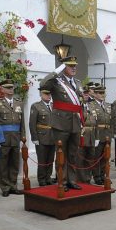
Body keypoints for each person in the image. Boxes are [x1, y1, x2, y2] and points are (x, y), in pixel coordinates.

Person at [39, 56, 83, 191]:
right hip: (61, 123)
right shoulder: (56, 81)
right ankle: (62, 181)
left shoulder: (78, 82)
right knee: (61, 154)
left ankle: (71, 180)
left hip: (75, 122)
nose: (74, 68)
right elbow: (43, 84)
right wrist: (56, 71)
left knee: (72, 154)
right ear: (64, 67)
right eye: (70, 66)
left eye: (75, 65)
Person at [0, 79, 25, 197]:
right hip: (3, 138)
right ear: (2, 90)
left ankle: (13, 186)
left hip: (16, 137)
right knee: (3, 163)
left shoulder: (19, 103)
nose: (11, 90)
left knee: (15, 163)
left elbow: (22, 123)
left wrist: (22, 138)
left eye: (12, 88)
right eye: (8, 88)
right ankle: (5, 187)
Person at [29, 88, 55, 186]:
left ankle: (48, 177)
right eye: (46, 94)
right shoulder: (36, 106)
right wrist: (34, 138)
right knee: (42, 159)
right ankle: (41, 179)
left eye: (49, 94)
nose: (48, 96)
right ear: (41, 94)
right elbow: (32, 123)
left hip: (52, 137)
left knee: (50, 159)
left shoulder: (53, 106)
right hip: (41, 137)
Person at [90, 85, 111, 185]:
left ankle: (104, 175)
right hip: (97, 133)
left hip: (107, 134)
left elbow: (112, 120)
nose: (102, 95)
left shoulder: (107, 105)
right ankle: (97, 176)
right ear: (94, 94)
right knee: (96, 157)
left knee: (106, 157)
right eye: (100, 93)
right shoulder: (91, 105)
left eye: (103, 93)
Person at [76, 88, 98, 184]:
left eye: (86, 94)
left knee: (90, 158)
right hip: (82, 135)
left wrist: (96, 137)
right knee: (80, 158)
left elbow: (95, 122)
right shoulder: (78, 107)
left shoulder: (91, 106)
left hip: (91, 135)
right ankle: (81, 179)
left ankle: (88, 177)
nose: (86, 95)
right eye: (84, 94)